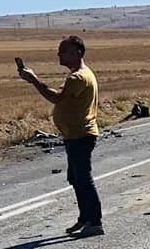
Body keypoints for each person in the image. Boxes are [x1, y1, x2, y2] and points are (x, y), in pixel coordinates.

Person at [20, 35, 103, 236]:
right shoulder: (78, 75)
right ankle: (85, 218)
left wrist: (34, 80)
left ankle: (95, 222)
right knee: (76, 178)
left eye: (63, 51)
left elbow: (55, 97)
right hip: (74, 135)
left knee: (83, 179)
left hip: (80, 135)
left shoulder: (78, 77)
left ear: (78, 53)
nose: (59, 54)